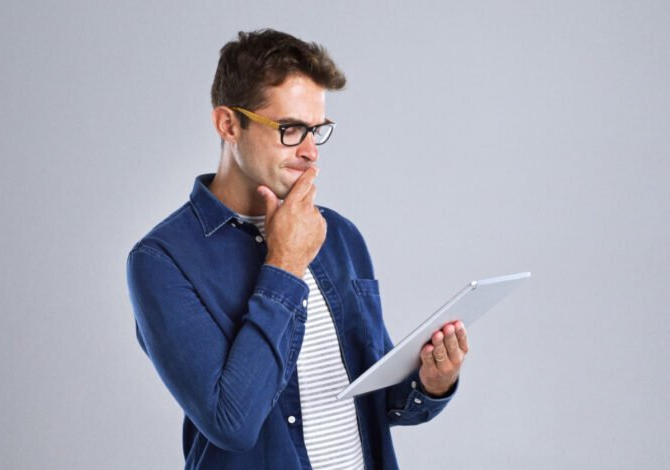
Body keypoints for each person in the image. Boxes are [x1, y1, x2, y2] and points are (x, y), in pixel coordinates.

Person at [127, 29, 469, 470]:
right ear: (228, 124)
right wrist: (284, 263)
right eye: (289, 129)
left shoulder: (339, 235)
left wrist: (432, 381)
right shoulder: (162, 261)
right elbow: (232, 423)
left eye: (317, 131)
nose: (310, 152)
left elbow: (374, 399)